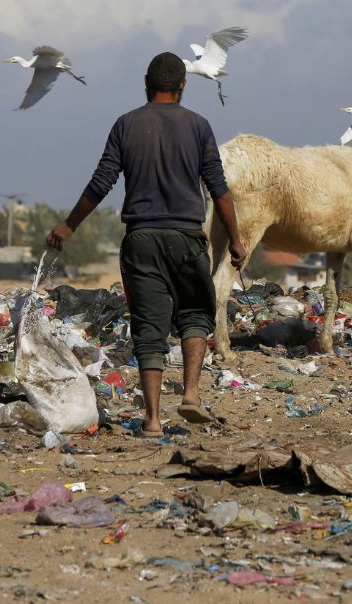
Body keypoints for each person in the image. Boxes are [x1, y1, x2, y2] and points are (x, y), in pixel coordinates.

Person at [47, 52, 247, 435]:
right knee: (194, 314)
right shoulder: (199, 127)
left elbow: (101, 182)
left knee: (149, 327)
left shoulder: (126, 125)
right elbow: (219, 189)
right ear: (183, 85)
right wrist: (236, 239)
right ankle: (190, 394)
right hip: (187, 238)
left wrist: (69, 226)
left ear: (146, 83)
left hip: (141, 240)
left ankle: (152, 420)